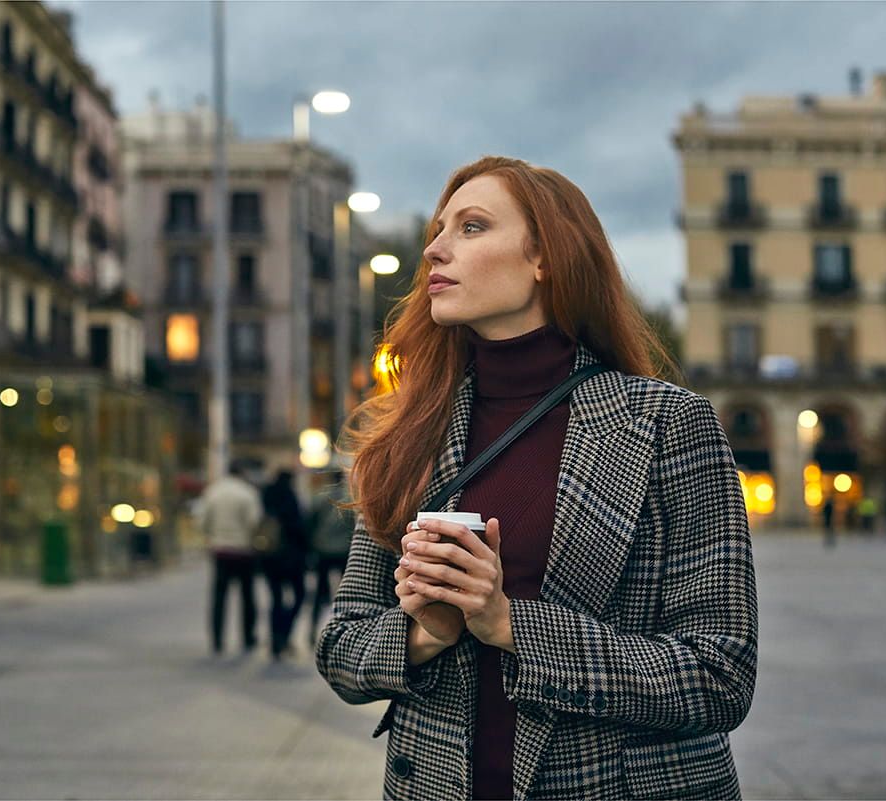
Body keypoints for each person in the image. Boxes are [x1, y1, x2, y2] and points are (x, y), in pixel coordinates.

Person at [315, 156, 758, 800]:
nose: (434, 250)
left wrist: (512, 625)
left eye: (471, 227)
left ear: (544, 256)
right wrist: (424, 633)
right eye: (437, 231)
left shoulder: (665, 424)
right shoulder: (411, 433)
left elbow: (720, 675)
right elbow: (342, 652)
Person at [197, 459, 263, 656]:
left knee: (219, 597)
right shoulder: (248, 493)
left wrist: (212, 536)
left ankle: (217, 639)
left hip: (220, 550)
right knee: (247, 597)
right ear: (241, 473)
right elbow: (254, 522)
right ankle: (248, 637)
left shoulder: (213, 492)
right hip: (243, 551)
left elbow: (201, 521)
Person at [260, 470, 309, 659]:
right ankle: (285, 633)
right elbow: (298, 528)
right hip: (291, 558)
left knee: (276, 598)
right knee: (299, 596)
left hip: (270, 558)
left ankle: (275, 640)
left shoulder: (266, 498)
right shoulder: (290, 498)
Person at [307, 470, 355, 646]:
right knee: (347, 594)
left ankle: (311, 632)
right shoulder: (350, 499)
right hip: (344, 551)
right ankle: (344, 632)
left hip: (323, 550)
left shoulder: (320, 497)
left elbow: (311, 522)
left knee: (319, 593)